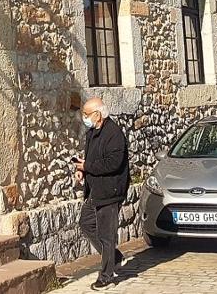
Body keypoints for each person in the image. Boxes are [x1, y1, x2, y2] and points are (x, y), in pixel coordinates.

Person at [74, 97, 129, 290]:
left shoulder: (114, 134)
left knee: (106, 236)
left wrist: (87, 166)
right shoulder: (91, 133)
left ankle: (106, 276)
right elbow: (90, 158)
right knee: (86, 223)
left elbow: (113, 163)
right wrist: (82, 169)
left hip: (110, 190)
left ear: (97, 114)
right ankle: (115, 257)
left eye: (87, 114)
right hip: (95, 190)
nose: (84, 117)